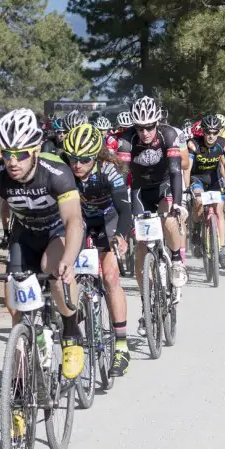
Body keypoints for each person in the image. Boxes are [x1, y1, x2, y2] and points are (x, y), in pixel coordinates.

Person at [0, 109, 86, 379]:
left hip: (57, 232)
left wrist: (69, 259)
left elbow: (74, 221)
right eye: (6, 154)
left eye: (20, 154)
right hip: (25, 234)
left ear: (36, 149)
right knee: (16, 311)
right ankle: (19, 391)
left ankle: (71, 331)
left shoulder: (57, 172)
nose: (12, 162)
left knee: (53, 269)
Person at [62, 124, 133, 376]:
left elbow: (125, 210)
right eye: (73, 159)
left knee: (110, 276)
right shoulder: (64, 169)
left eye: (84, 160)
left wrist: (122, 237)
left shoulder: (109, 171)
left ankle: (122, 347)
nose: (77, 165)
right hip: (79, 222)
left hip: (108, 221)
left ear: (96, 157)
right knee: (66, 272)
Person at [117, 96, 187, 337]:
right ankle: (147, 305)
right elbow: (121, 176)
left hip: (164, 186)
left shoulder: (169, 136)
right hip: (139, 190)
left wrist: (177, 204)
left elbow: (177, 172)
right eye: (139, 127)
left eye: (149, 126)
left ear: (157, 123)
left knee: (168, 218)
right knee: (140, 248)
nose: (145, 132)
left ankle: (177, 260)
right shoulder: (126, 140)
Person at [185, 114, 225, 269]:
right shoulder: (193, 144)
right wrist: (186, 189)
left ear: (218, 132)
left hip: (214, 180)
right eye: (208, 132)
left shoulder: (223, 144)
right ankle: (196, 230)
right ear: (203, 131)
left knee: (219, 210)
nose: (211, 136)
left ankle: (221, 250)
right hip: (197, 179)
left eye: (214, 132)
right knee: (198, 202)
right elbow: (187, 168)